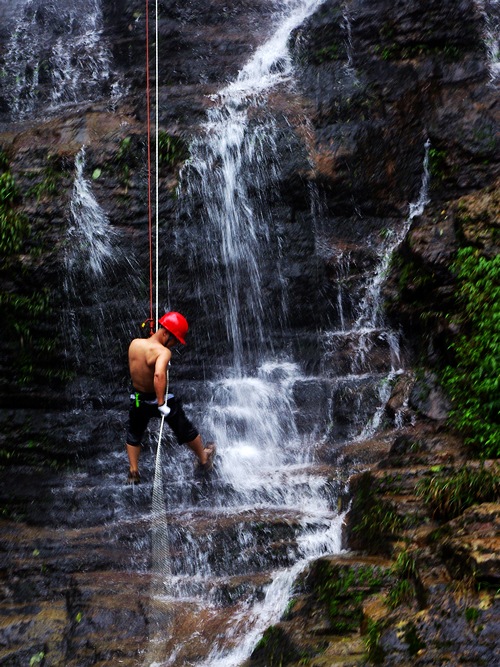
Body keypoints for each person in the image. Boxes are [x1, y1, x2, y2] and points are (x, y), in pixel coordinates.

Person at [125, 311, 216, 484]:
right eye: (174, 340)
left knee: (134, 432)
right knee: (185, 429)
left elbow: (145, 360)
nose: (174, 345)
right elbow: (158, 375)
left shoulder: (135, 344)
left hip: (138, 398)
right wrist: (161, 403)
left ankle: (134, 472)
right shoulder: (163, 352)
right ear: (165, 333)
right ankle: (204, 461)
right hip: (158, 399)